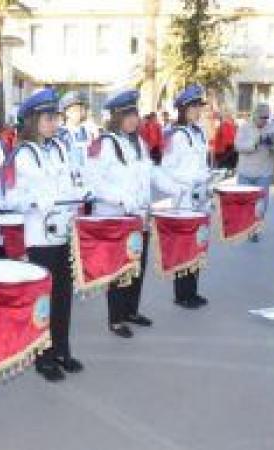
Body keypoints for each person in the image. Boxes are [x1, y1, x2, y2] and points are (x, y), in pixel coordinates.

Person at [5, 88, 84, 381]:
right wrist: (36, 201)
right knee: (44, 300)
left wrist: (79, 193)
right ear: (32, 120)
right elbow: (11, 198)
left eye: (55, 117)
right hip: (40, 237)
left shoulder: (62, 148)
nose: (54, 123)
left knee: (64, 296)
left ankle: (62, 350)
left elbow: (72, 180)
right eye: (47, 118)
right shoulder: (21, 154)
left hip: (64, 233)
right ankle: (44, 357)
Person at [88, 89, 177, 337]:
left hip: (140, 216)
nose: (132, 120)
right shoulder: (103, 144)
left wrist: (175, 186)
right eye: (127, 115)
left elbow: (151, 172)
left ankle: (131, 310)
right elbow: (93, 182)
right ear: (116, 117)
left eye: (134, 114)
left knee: (138, 264)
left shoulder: (139, 142)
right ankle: (115, 318)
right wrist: (120, 198)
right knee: (119, 268)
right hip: (116, 216)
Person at [159, 84, 211, 309]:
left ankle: (193, 290)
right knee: (184, 246)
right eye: (194, 107)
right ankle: (182, 294)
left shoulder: (198, 132)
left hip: (201, 198)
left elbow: (201, 164)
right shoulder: (175, 135)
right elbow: (166, 168)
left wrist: (209, 176)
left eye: (199, 107)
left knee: (198, 244)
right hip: (184, 199)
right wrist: (189, 182)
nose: (198, 111)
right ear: (182, 109)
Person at [235, 103, 274, 242]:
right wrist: (255, 143)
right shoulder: (245, 127)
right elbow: (238, 145)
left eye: (267, 117)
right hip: (246, 172)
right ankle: (245, 228)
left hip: (264, 173)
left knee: (261, 204)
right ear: (255, 115)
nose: (264, 120)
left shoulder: (272, 128)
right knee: (244, 203)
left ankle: (255, 230)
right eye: (262, 117)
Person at [57, 90, 97, 187]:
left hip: (88, 181)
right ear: (66, 112)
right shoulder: (60, 135)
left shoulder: (88, 132)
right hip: (68, 183)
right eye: (75, 110)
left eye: (81, 109)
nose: (79, 113)